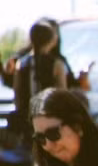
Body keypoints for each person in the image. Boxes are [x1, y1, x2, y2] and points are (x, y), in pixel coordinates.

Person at [10, 19, 69, 149]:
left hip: (27, 118)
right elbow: (62, 94)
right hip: (50, 118)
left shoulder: (22, 63)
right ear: (52, 40)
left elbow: (18, 94)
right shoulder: (56, 64)